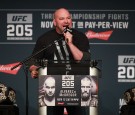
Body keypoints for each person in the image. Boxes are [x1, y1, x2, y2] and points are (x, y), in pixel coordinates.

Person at [29, 8, 91, 115]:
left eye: (68, 18)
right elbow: (33, 61)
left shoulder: (80, 37)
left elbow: (82, 59)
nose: (66, 21)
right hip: (52, 87)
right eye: (62, 18)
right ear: (55, 22)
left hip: (75, 87)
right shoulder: (45, 39)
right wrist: (33, 69)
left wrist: (70, 43)